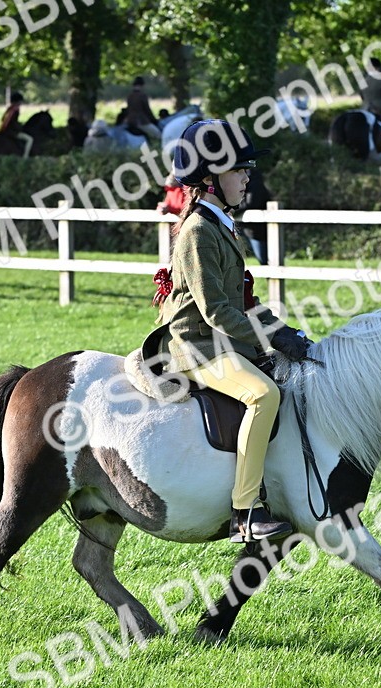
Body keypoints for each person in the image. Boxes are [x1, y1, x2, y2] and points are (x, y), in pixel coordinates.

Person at [145, 119, 310, 543]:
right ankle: (245, 510)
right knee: (263, 394)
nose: (247, 177)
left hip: (222, 339)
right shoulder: (199, 231)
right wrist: (271, 337)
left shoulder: (220, 223)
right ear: (210, 179)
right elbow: (218, 312)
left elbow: (244, 301)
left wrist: (284, 331)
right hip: (195, 346)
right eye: (238, 170)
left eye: (246, 169)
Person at [238, 168, 272, 264]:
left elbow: (252, 202)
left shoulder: (254, 179)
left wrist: (232, 209)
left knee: (265, 261)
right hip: (245, 227)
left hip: (256, 229)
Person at [0, 91, 34, 157]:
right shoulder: (16, 110)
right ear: (18, 101)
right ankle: (25, 156)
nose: (21, 103)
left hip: (6, 130)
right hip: (12, 132)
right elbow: (13, 122)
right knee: (30, 139)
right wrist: (20, 127)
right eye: (20, 101)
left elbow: (3, 119)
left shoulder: (9, 109)